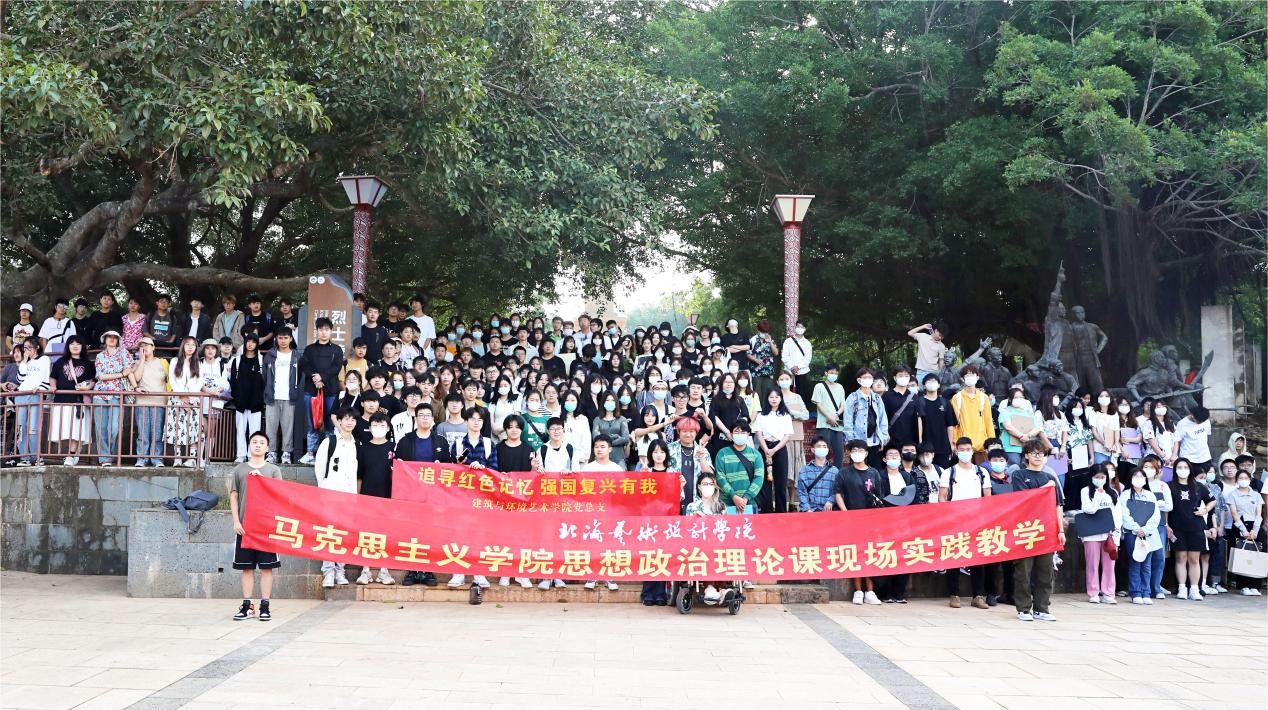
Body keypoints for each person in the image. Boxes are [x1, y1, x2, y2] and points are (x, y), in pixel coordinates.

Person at [228, 431, 283, 621]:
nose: (258, 445)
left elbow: (280, 495)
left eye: (261, 442)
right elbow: (234, 496)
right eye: (254, 442)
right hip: (245, 527)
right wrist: (236, 521)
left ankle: (265, 605)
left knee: (267, 568)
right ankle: (247, 606)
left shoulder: (273, 470)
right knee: (247, 568)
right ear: (249, 446)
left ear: (267, 448)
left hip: (266, 527)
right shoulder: (240, 469)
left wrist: (262, 479)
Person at [1013, 440, 1066, 622]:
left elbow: (1058, 505)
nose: (1038, 456)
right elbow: (1025, 499)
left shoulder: (1050, 477)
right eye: (1034, 453)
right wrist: (1046, 488)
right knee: (1023, 572)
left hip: (1047, 529)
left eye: (1041, 453)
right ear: (1026, 455)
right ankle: (1023, 608)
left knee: (1046, 572)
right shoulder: (1019, 475)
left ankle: (1042, 608)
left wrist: (1060, 530)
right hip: (1026, 529)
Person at [940, 437, 992, 609]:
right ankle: (954, 595)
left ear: (972, 451)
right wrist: (948, 517)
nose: (965, 453)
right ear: (956, 451)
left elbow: (988, 497)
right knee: (954, 557)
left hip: (977, 520)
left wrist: (985, 517)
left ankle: (978, 595)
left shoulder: (981, 472)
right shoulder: (949, 472)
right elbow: (942, 497)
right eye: (961, 450)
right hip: (955, 520)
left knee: (978, 558)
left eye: (968, 449)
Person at [832, 439, 884, 604]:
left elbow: (879, 497)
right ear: (849, 453)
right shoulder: (844, 473)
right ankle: (858, 591)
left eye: (861, 450)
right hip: (852, 519)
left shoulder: (874, 473)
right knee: (856, 554)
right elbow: (838, 493)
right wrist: (845, 513)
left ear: (866, 453)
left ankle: (870, 591)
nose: (857, 453)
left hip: (870, 521)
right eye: (854, 450)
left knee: (870, 554)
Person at [314, 409, 359, 587]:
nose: (349, 422)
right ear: (339, 421)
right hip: (329, 495)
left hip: (348, 497)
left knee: (344, 534)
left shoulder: (356, 444)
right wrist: (323, 490)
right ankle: (328, 571)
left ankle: (340, 570)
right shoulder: (329, 442)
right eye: (346, 419)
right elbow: (319, 468)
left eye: (353, 419)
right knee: (328, 533)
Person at [353, 412, 397, 586]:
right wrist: (357, 497)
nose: (378, 428)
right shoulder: (363, 448)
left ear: (388, 428)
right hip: (367, 497)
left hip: (388, 497)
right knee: (366, 533)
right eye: (375, 425)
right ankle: (366, 570)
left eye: (382, 425)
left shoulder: (394, 447)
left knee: (385, 533)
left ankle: (384, 571)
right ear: (369, 428)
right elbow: (359, 476)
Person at [298, 317, 345, 465]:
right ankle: (311, 453)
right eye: (320, 329)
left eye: (326, 329)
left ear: (331, 331)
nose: (323, 332)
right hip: (311, 391)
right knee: (312, 423)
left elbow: (336, 367)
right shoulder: (309, 349)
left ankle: (329, 454)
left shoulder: (336, 349)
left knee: (330, 423)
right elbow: (305, 366)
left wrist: (322, 377)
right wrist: (315, 378)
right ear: (317, 331)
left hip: (331, 391)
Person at [580, 435, 623, 591]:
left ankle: (609, 576)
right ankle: (592, 576)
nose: (599, 449)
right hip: (592, 512)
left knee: (610, 543)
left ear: (610, 449)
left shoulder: (617, 469)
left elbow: (623, 493)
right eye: (596, 446)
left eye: (603, 446)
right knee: (593, 543)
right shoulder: (587, 468)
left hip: (611, 512)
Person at [1168, 458, 1214, 601]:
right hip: (1177, 527)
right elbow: (1166, 508)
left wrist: (1205, 510)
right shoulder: (1169, 486)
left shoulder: (1198, 486)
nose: (1183, 470)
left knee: (1194, 559)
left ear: (1190, 469)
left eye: (1185, 467)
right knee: (1180, 558)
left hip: (1196, 527)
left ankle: (1194, 589)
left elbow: (1212, 500)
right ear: (1175, 470)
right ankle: (1182, 588)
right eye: (1179, 467)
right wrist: (1167, 525)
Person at [1079, 463, 1121, 604]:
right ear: (1091, 477)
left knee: (1109, 565)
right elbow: (1089, 509)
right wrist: (1098, 495)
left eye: (1102, 477)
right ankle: (1093, 592)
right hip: (1092, 534)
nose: (1100, 480)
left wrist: (1116, 530)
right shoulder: (1086, 491)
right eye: (1097, 477)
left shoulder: (1113, 492)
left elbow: (1117, 513)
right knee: (1092, 564)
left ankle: (1108, 593)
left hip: (1109, 534)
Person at [1120, 466, 1162, 605]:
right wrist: (1136, 528)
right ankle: (1135, 592)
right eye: (1135, 476)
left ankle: (1146, 592)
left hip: (1148, 534)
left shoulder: (1150, 495)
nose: (1138, 479)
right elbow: (1124, 514)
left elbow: (1156, 515)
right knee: (1135, 562)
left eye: (1141, 476)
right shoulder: (1125, 495)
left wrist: (1146, 529)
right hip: (1132, 534)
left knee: (1147, 565)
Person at [91, 331, 134, 466]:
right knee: (101, 427)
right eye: (109, 337)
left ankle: (111, 453)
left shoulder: (123, 353)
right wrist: (121, 374)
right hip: (100, 393)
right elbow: (101, 376)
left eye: (115, 337)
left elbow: (129, 370)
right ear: (104, 339)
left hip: (117, 393)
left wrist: (135, 386)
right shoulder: (100, 356)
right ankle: (104, 458)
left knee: (115, 427)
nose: (112, 339)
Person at [262, 327, 300, 464]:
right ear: (276, 339)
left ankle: (286, 453)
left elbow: (300, 375)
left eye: (286, 338)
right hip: (272, 396)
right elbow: (265, 375)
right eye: (280, 338)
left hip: (289, 396)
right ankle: (271, 452)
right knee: (270, 426)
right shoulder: (270, 355)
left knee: (287, 427)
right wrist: (268, 389)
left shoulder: (296, 356)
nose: (283, 341)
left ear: (291, 339)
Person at [128, 337, 167, 467]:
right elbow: (137, 378)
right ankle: (142, 458)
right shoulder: (137, 363)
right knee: (142, 433)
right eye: (142, 345)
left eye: (147, 345)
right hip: (142, 401)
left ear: (153, 347)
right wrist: (142, 360)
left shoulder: (162, 362)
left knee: (157, 433)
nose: (144, 347)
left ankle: (157, 459)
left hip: (159, 401)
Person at [752, 387, 793, 513]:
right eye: (771, 397)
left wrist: (774, 450)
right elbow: (758, 433)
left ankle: (781, 512)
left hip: (779, 449)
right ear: (767, 398)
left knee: (781, 483)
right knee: (765, 483)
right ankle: (767, 512)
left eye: (776, 397)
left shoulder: (785, 415)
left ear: (781, 399)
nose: (774, 399)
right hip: (764, 448)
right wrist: (766, 450)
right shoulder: (761, 415)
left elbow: (787, 436)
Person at [1225, 468, 1264, 595]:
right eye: (1240, 478)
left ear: (1250, 479)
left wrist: (1255, 530)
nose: (1243, 480)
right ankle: (1243, 586)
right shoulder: (1233, 495)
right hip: (1240, 526)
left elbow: (1259, 514)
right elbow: (1234, 514)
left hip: (1255, 526)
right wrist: (1244, 531)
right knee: (1242, 555)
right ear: (1236, 480)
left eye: (1246, 478)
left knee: (1256, 555)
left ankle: (1255, 585)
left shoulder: (1256, 495)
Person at [714, 419, 764, 519]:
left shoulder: (756, 455)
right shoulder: (722, 453)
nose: (739, 434)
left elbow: (759, 478)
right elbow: (720, 477)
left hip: (749, 503)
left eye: (743, 432)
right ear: (731, 434)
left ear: (748, 434)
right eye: (736, 432)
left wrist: (746, 498)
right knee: (727, 528)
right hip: (726, 503)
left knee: (749, 528)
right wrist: (733, 495)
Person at [229, 334, 265, 463]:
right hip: (241, 402)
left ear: (257, 344)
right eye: (248, 341)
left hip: (256, 402)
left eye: (253, 342)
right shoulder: (237, 360)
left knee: (255, 431)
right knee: (240, 430)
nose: (250, 344)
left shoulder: (261, 360)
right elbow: (233, 382)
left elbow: (265, 382)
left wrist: (261, 399)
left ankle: (252, 455)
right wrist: (237, 398)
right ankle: (241, 455)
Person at [843, 368, 888, 468]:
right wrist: (851, 441)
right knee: (857, 469)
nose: (868, 379)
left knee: (875, 469)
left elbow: (883, 420)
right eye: (865, 377)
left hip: (875, 441)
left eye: (870, 377)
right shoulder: (853, 397)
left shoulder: (877, 398)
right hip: (858, 441)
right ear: (859, 380)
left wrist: (883, 439)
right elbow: (848, 421)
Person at [950, 365, 993, 462]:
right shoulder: (957, 398)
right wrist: (954, 442)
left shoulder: (984, 397)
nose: (970, 377)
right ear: (962, 379)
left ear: (977, 377)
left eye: (972, 375)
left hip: (982, 445)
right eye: (967, 375)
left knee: (982, 470)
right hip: (963, 445)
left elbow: (988, 421)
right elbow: (954, 423)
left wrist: (991, 442)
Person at [915, 373, 957, 467]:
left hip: (943, 446)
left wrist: (950, 443)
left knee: (943, 471)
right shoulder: (920, 401)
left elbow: (950, 425)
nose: (931, 383)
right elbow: (919, 422)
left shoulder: (945, 402)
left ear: (938, 385)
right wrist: (920, 443)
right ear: (924, 385)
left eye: (934, 381)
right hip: (926, 446)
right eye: (929, 381)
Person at [811, 364, 846, 468]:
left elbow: (843, 405)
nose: (833, 375)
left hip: (837, 425)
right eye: (831, 372)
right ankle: (821, 472)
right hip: (824, 424)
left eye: (835, 373)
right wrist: (829, 417)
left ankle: (838, 474)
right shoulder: (819, 386)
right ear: (826, 373)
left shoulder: (840, 387)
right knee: (821, 451)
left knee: (839, 452)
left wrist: (835, 415)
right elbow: (818, 404)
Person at [998, 386, 1041, 467]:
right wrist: (1021, 436)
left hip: (1027, 447)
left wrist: (1028, 435)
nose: (1019, 399)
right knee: (1013, 468)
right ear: (1010, 399)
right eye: (1016, 397)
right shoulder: (1005, 411)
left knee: (1026, 469)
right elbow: (1008, 427)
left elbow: (1037, 428)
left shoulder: (1028, 412)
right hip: (1011, 448)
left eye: (1021, 397)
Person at [797, 436, 839, 513]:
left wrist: (831, 501)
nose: (822, 448)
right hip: (810, 510)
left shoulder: (835, 471)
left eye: (824, 446)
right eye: (819, 446)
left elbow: (837, 490)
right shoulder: (804, 471)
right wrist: (807, 509)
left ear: (827, 450)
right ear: (813, 450)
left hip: (828, 511)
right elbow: (802, 492)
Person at [592, 391, 631, 469]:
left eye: (613, 400)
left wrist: (605, 442)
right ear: (603, 402)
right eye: (608, 400)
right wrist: (616, 437)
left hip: (619, 458)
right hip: (601, 459)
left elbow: (625, 438)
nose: (610, 402)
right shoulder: (597, 420)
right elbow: (595, 438)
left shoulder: (622, 419)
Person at [1173, 406, 1213, 476]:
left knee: (1205, 479)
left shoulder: (1206, 420)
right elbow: (1178, 441)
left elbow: (1207, 435)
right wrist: (1175, 456)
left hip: (1205, 457)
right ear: (1192, 415)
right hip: (1189, 458)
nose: (1200, 423)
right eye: (1198, 421)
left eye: (1202, 421)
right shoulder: (1182, 424)